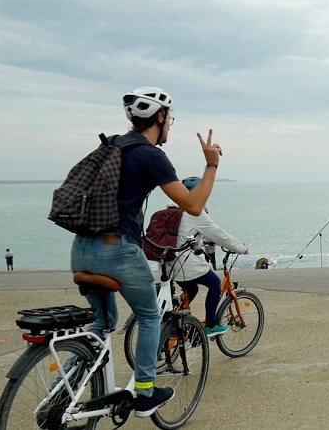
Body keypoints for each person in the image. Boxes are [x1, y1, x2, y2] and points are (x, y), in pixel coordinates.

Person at [70, 87, 221, 418]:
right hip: (117, 251)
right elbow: (193, 205)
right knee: (151, 315)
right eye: (170, 119)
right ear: (161, 117)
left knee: (103, 321)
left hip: (81, 249)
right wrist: (211, 166)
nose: (170, 125)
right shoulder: (150, 154)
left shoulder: (112, 146)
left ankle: (63, 391)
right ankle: (144, 392)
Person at [155, 176, 249, 338]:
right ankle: (211, 326)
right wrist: (241, 248)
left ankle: (175, 319)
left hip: (168, 263)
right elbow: (220, 235)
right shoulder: (195, 213)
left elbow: (181, 235)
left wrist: (202, 241)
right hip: (185, 264)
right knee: (214, 284)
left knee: (192, 288)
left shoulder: (170, 210)